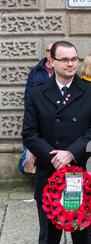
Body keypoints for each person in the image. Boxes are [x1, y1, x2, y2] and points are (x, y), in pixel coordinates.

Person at [22, 40, 91, 244]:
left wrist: (71, 153)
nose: (70, 63)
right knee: (49, 239)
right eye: (65, 59)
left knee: (83, 238)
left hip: (81, 176)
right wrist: (52, 155)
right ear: (53, 62)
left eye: (73, 59)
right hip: (49, 177)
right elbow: (29, 134)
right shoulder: (37, 93)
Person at [19, 42, 54, 176]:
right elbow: (28, 94)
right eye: (48, 50)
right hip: (38, 115)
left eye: (53, 50)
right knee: (34, 150)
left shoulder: (62, 70)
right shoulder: (36, 71)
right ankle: (36, 182)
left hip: (56, 117)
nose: (50, 53)